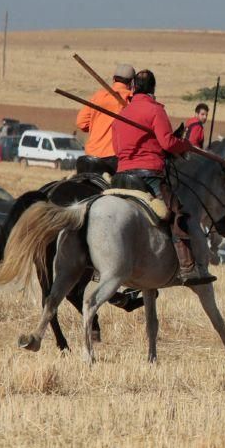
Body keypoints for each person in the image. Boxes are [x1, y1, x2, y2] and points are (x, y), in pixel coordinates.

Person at [111, 69, 213, 286]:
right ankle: (187, 268)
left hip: (121, 175)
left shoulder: (121, 114)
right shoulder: (155, 110)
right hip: (149, 176)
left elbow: (117, 147)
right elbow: (167, 143)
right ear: (153, 89)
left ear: (134, 87)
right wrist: (185, 145)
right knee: (178, 213)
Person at [75, 63, 135, 173]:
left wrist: (97, 125)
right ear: (132, 82)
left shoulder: (98, 96)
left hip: (91, 155)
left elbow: (81, 123)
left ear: (113, 79)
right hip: (113, 158)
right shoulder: (130, 100)